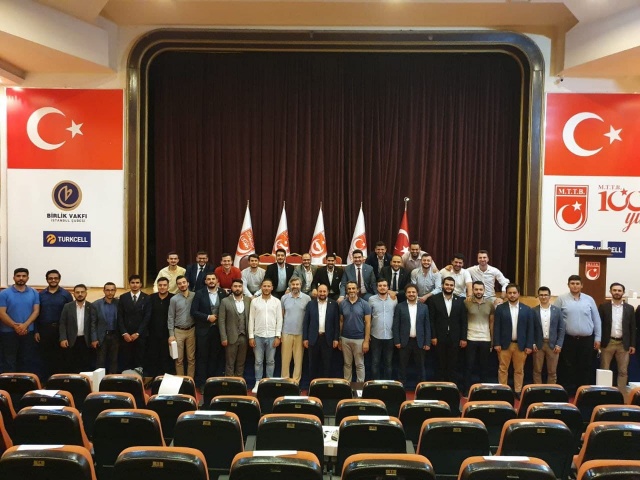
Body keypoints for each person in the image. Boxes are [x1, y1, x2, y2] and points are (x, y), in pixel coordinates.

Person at [554, 275, 601, 394]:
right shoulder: (561, 299)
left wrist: (598, 338)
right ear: (568, 285)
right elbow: (555, 319)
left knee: (585, 366)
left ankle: (583, 392)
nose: (575, 286)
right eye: (572, 283)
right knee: (567, 366)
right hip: (568, 339)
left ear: (581, 285)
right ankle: (568, 392)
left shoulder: (589, 299)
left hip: (587, 340)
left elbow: (596, 320)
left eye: (577, 283)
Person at [493, 283, 534, 398]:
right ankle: (503, 390)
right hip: (504, 344)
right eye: (509, 293)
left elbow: (530, 329)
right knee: (503, 369)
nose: (512, 295)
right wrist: (496, 343)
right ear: (506, 294)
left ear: (519, 294)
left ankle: (518, 390)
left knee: (519, 370)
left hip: (520, 345)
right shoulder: (500, 308)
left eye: (514, 293)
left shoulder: (527, 309)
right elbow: (496, 327)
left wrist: (529, 345)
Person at [0, 268, 40, 375]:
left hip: (28, 332)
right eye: (18, 276)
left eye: (24, 276)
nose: (21, 278)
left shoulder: (34, 293)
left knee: (26, 360)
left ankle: (24, 383)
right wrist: (15, 326)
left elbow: (36, 311)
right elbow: (2, 313)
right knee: (9, 361)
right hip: (8, 333)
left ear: (28, 278)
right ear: (13, 278)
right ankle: (9, 384)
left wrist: (25, 325)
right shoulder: (4, 293)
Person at [428, 277, 467, 384]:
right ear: (442, 285)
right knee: (439, 363)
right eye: (447, 284)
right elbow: (431, 320)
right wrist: (433, 336)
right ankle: (439, 387)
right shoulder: (434, 299)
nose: (449, 287)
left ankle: (452, 387)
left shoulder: (460, 301)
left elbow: (463, 321)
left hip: (455, 337)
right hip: (439, 337)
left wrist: (463, 338)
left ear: (454, 287)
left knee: (453, 364)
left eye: (451, 285)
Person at [191, 272, 227, 388]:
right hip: (203, 330)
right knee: (202, 357)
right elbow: (193, 311)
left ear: (217, 281)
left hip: (218, 331)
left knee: (215, 356)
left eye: (213, 279)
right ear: (205, 281)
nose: (211, 281)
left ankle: (213, 383)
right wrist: (207, 317)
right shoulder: (199, 293)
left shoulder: (222, 293)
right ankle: (202, 383)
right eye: (209, 279)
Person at [599, 282, 636, 390]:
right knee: (604, 370)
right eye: (614, 290)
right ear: (610, 292)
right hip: (607, 342)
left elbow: (632, 328)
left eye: (619, 290)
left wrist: (632, 344)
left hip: (623, 344)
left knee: (623, 371)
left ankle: (621, 394)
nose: (617, 292)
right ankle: (604, 392)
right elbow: (599, 325)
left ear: (623, 293)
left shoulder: (629, 308)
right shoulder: (603, 307)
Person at [36, 269, 72, 378]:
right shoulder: (40, 295)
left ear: (59, 279)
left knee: (61, 357)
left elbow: (71, 315)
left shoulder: (66, 294)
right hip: (45, 330)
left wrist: (67, 333)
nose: (53, 280)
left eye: (55, 278)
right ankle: (46, 381)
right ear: (47, 280)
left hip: (60, 330)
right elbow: (37, 313)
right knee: (45, 357)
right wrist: (36, 331)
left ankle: (59, 381)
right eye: (50, 278)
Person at [249, 279, 283, 392]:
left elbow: (279, 319)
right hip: (258, 335)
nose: (266, 288)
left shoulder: (277, 302)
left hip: (272, 335)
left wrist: (278, 336)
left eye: (269, 286)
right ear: (261, 287)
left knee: (270, 361)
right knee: (258, 361)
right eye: (264, 286)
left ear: (272, 288)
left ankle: (269, 382)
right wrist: (251, 336)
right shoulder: (255, 302)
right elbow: (251, 319)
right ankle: (258, 382)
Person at [393, 284, 431, 386]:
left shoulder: (424, 307)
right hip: (404, 341)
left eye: (413, 292)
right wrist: (397, 341)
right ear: (405, 294)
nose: (411, 294)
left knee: (421, 366)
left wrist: (427, 342)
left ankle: (422, 387)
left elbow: (427, 325)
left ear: (417, 293)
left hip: (420, 341)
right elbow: (396, 325)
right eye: (409, 292)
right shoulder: (400, 306)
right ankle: (400, 387)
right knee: (402, 366)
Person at [463, 281, 495, 395]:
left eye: (480, 289)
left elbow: (491, 323)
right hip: (470, 338)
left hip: (485, 339)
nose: (478, 291)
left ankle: (483, 391)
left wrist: (492, 341)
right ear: (472, 290)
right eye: (476, 289)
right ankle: (466, 390)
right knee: (468, 366)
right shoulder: (466, 303)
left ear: (484, 290)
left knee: (484, 367)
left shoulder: (490, 304)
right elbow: (463, 321)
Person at [303, 283, 340, 379]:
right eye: (320, 291)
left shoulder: (334, 304)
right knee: (313, 365)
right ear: (317, 292)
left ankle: (325, 385)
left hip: (328, 339)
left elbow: (336, 323)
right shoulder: (310, 304)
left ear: (327, 292)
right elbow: (306, 322)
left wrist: (336, 338)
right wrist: (305, 338)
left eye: (324, 291)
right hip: (313, 338)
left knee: (327, 365)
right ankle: (312, 384)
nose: (322, 293)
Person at [59, 284, 97, 373]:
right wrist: (63, 338)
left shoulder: (91, 307)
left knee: (86, 365)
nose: (80, 294)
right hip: (71, 340)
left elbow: (93, 324)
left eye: (82, 292)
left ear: (86, 293)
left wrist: (94, 339)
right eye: (77, 292)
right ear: (73, 294)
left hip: (86, 340)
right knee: (71, 365)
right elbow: (62, 323)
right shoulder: (67, 306)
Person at [117, 274, 151, 372]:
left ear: (141, 284)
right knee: (127, 360)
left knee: (139, 360)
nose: (135, 285)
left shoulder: (147, 298)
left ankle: (139, 378)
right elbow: (120, 316)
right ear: (129, 284)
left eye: (137, 283)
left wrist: (138, 333)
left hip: (141, 335)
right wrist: (124, 333)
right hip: (126, 336)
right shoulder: (123, 297)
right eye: (132, 283)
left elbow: (147, 317)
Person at [280, 277, 311, 383]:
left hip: (300, 333)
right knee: (285, 360)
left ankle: (295, 382)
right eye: (293, 284)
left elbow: (308, 317)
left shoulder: (307, 298)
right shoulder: (284, 298)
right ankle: (285, 382)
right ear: (290, 285)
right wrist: (280, 333)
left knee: (298, 361)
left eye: (297, 284)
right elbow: (282, 316)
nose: (295, 286)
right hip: (286, 333)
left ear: (301, 285)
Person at [339, 281, 371, 383]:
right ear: (346, 290)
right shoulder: (342, 304)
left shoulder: (365, 304)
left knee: (359, 364)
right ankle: (346, 385)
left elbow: (368, 323)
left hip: (359, 339)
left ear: (357, 290)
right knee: (347, 364)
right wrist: (340, 338)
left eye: (353, 288)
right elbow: (341, 321)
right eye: (349, 289)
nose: (351, 290)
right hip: (345, 338)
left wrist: (366, 341)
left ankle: (360, 386)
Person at [219, 278, 251, 377]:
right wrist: (223, 337)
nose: (237, 288)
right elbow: (221, 320)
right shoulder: (225, 301)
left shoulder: (248, 300)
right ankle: (229, 383)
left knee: (241, 363)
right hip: (230, 337)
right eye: (235, 286)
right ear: (231, 288)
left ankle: (239, 382)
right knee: (230, 363)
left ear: (242, 288)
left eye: (240, 286)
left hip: (244, 336)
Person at [532, 286, 564, 384]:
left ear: (549, 296)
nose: (543, 297)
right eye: (541, 295)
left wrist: (559, 344)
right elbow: (531, 328)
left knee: (552, 371)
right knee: (537, 370)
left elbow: (561, 328)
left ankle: (552, 390)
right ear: (538, 296)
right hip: (538, 345)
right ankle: (537, 390)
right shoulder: (533, 311)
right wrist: (532, 343)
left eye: (546, 295)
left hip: (553, 345)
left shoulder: (557, 311)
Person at [145, 277, 175, 378]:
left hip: (167, 334)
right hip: (152, 334)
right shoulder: (151, 298)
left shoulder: (173, 298)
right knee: (153, 357)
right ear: (157, 286)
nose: (162, 287)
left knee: (166, 358)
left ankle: (166, 380)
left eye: (164, 285)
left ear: (168, 286)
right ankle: (153, 380)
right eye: (160, 285)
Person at [168, 275, 196, 378]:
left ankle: (190, 381)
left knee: (191, 358)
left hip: (191, 330)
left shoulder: (195, 296)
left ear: (188, 283)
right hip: (178, 331)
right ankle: (180, 381)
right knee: (178, 359)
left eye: (184, 282)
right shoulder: (174, 299)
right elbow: (171, 317)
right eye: (179, 283)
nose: (182, 285)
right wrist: (171, 335)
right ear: (177, 286)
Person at [368, 278, 397, 379]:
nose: (382, 287)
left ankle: (387, 384)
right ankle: (375, 384)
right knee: (375, 362)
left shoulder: (394, 299)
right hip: (375, 335)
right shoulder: (371, 299)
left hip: (390, 336)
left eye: (384, 286)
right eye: (380, 286)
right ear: (377, 288)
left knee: (388, 363)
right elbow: (368, 318)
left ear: (388, 287)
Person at [94, 282, 121, 374]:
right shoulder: (96, 304)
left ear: (115, 291)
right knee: (100, 361)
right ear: (104, 291)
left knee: (114, 360)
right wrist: (94, 338)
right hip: (102, 337)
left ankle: (112, 380)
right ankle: (100, 380)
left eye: (112, 290)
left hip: (115, 336)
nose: (110, 292)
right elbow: (93, 323)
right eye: (108, 290)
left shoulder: (119, 303)